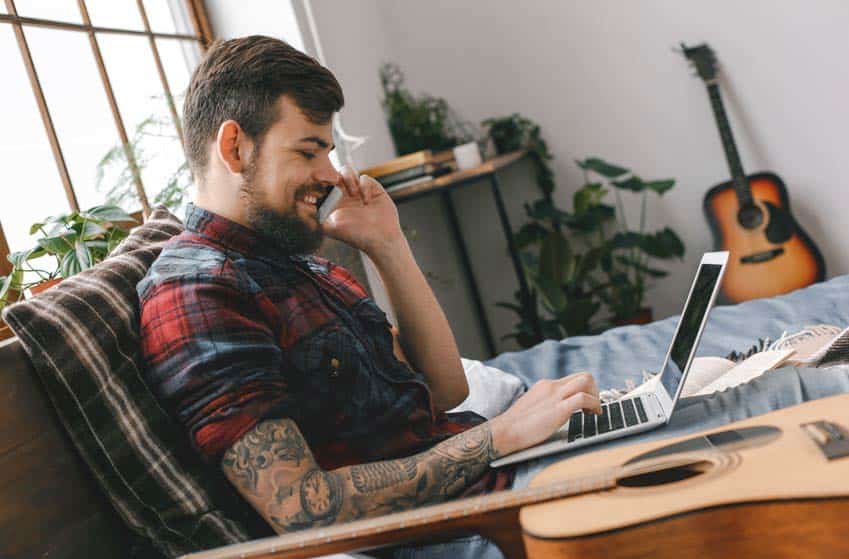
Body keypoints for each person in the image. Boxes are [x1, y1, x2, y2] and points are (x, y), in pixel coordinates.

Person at [137, 34, 601, 541]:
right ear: (234, 147)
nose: (332, 176)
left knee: (686, 418)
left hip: (496, 480)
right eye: (309, 152)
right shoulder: (197, 292)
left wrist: (388, 245)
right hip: (460, 528)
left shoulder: (295, 262)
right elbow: (302, 508)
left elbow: (446, 391)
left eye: (329, 153)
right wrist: (502, 436)